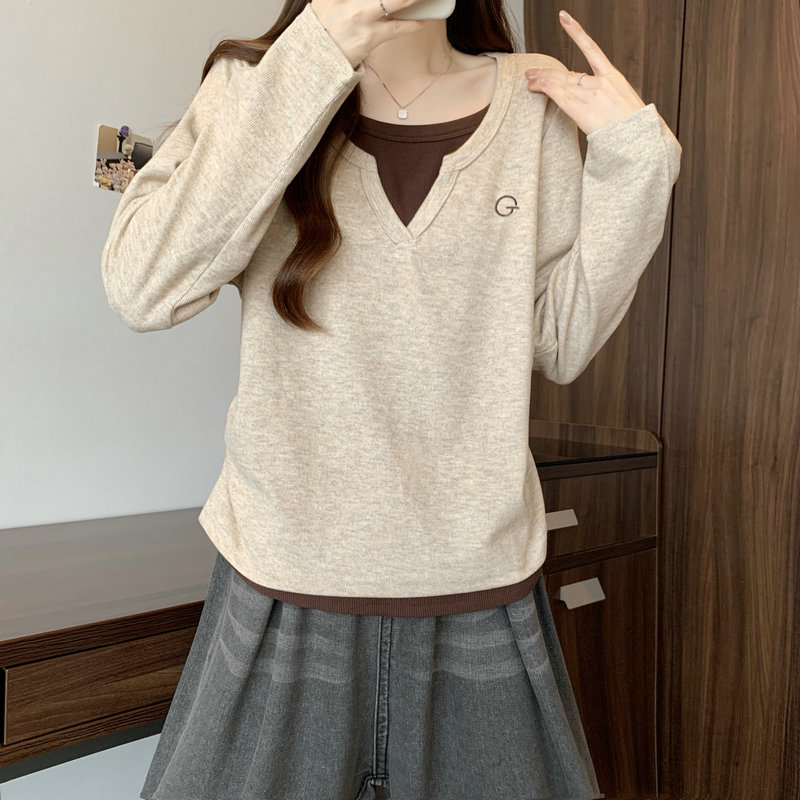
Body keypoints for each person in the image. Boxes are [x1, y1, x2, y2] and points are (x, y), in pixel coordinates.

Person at [101, 1, 681, 798]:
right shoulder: (255, 81)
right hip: (280, 585)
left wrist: (634, 165)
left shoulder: (534, 98)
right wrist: (315, 56)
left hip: (479, 588)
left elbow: (561, 340)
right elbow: (143, 288)